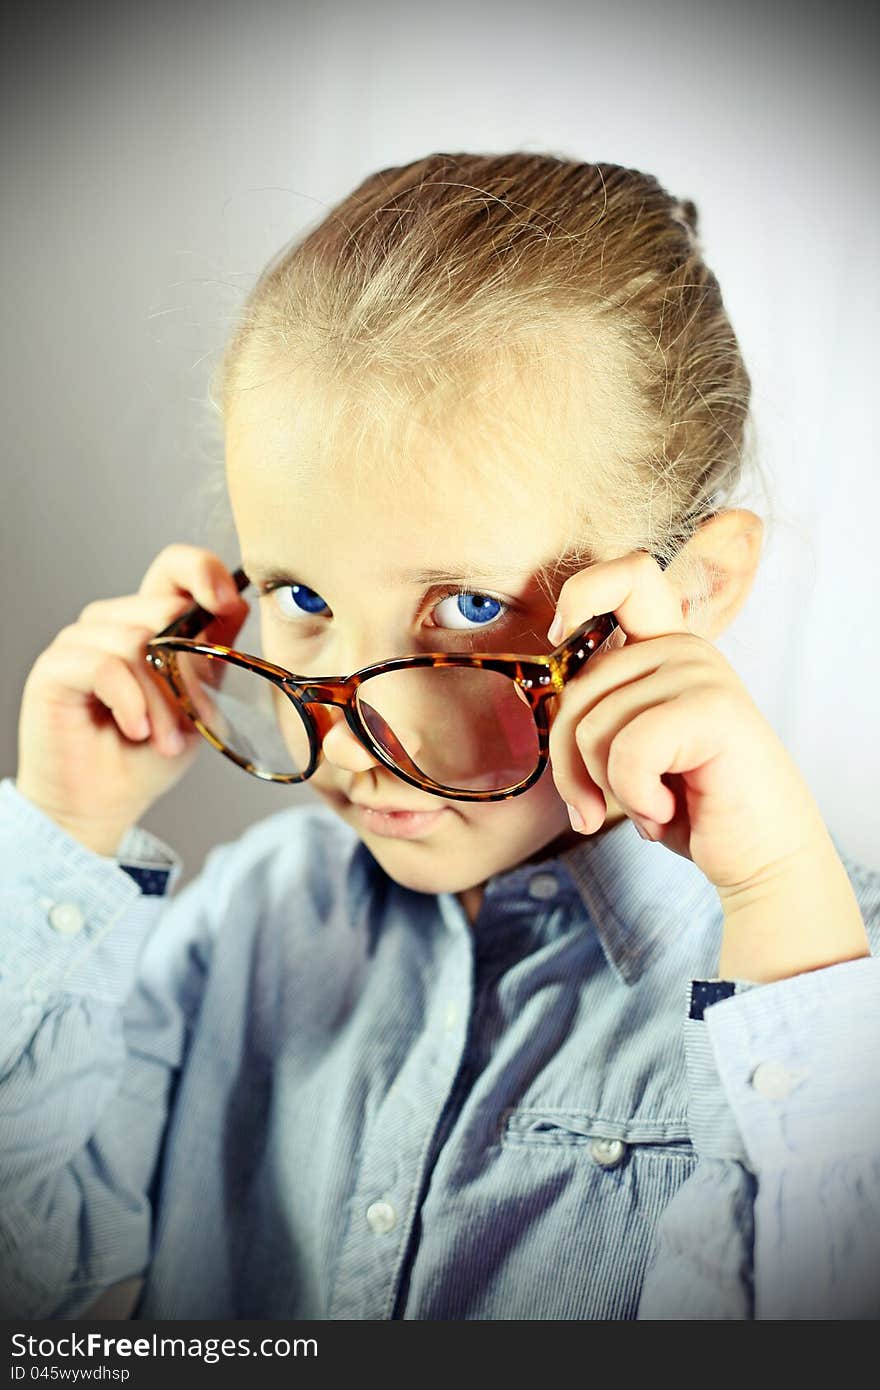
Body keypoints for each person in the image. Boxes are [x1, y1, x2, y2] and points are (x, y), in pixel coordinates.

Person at [2, 151, 878, 1322]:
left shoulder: (831, 998)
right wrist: (64, 829)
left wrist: (776, 903)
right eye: (303, 601)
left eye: (469, 607)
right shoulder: (245, 924)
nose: (361, 720)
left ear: (698, 590)